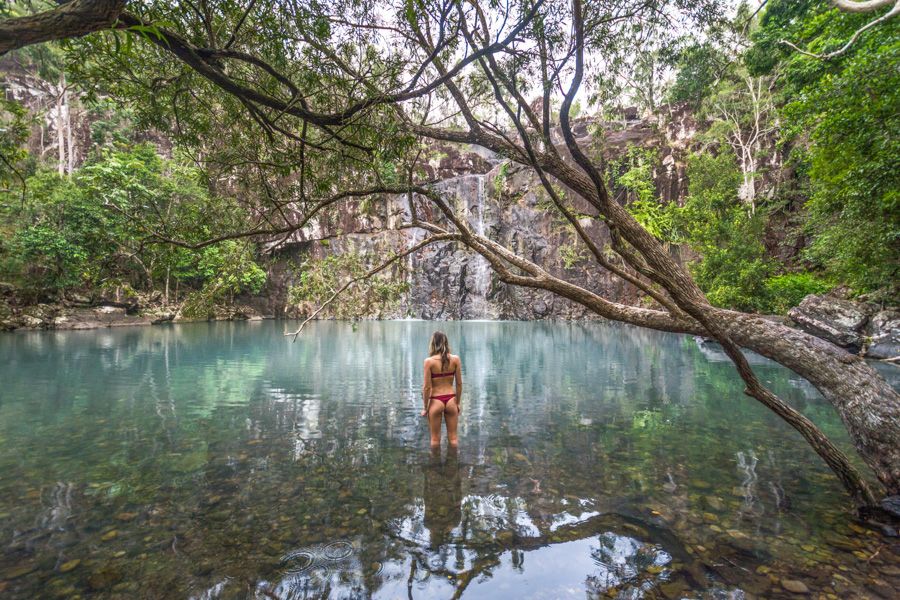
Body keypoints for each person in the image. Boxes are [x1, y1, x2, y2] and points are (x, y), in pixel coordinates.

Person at [421, 331, 462, 447]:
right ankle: (453, 464)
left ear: (433, 343)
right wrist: (458, 403)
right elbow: (459, 384)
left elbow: (427, 387)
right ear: (446, 343)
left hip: (435, 400)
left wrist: (425, 407)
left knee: (434, 440)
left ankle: (435, 464)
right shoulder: (456, 359)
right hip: (451, 400)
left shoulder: (429, 362)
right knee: (453, 439)